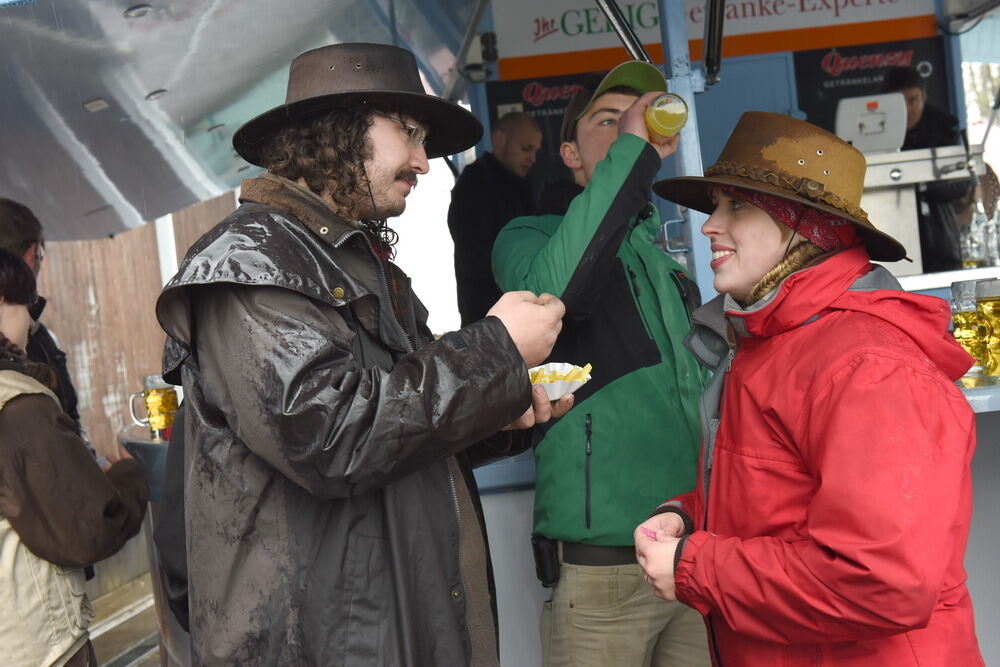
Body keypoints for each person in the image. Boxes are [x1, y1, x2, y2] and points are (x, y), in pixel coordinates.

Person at [155, 43, 571, 666]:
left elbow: (402, 432)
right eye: (408, 132)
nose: (424, 161)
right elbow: (329, 436)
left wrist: (500, 411)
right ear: (339, 129)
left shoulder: (366, 266)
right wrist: (495, 347)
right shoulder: (248, 262)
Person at [637, 111, 984, 666]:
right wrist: (690, 518)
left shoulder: (869, 367)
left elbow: (882, 581)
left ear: (805, 226)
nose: (707, 226)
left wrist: (694, 565)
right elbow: (781, 503)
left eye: (738, 205)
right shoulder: (773, 341)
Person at [492, 62, 710, 667]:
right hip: (600, 579)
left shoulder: (667, 263)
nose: (625, 131)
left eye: (636, 120)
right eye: (608, 121)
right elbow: (554, 298)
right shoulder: (527, 235)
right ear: (568, 151)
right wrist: (635, 148)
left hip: (694, 562)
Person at [0, 248, 148, 667]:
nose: (30, 322)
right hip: (37, 648)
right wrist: (129, 476)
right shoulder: (19, 408)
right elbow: (89, 528)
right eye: (25, 305)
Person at [0, 198, 86, 439]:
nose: (28, 321)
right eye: (41, 253)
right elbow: (58, 466)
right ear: (30, 254)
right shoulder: (28, 400)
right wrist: (127, 475)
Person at [448, 111, 542, 325]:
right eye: (526, 148)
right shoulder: (475, 184)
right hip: (487, 319)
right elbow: (475, 258)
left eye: (536, 151)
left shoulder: (521, 184)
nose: (533, 158)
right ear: (500, 140)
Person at [881, 66, 974, 272]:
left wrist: (918, 185)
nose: (906, 109)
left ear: (924, 97)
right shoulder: (872, 137)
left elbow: (961, 183)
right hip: (890, 243)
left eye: (912, 100)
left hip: (939, 241)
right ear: (885, 104)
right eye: (899, 102)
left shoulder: (945, 129)